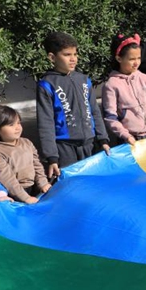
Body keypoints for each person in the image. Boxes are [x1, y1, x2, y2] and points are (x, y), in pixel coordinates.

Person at [36, 31, 110, 180]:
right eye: (67, 54)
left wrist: (103, 139)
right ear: (52, 57)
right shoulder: (47, 85)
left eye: (75, 54)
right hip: (65, 149)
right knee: (72, 184)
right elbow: (46, 123)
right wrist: (52, 157)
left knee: (93, 183)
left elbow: (95, 111)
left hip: (90, 145)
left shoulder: (84, 80)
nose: (73, 59)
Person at [102, 33, 146, 145]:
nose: (136, 63)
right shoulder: (111, 85)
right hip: (130, 140)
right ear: (119, 58)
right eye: (131, 59)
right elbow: (110, 117)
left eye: (139, 58)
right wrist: (125, 135)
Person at [0, 106, 50, 204]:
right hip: (15, 195)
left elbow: (37, 165)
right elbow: (7, 179)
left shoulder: (27, 143)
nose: (17, 128)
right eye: (11, 125)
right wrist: (25, 198)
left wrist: (43, 183)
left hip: (34, 188)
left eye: (18, 123)